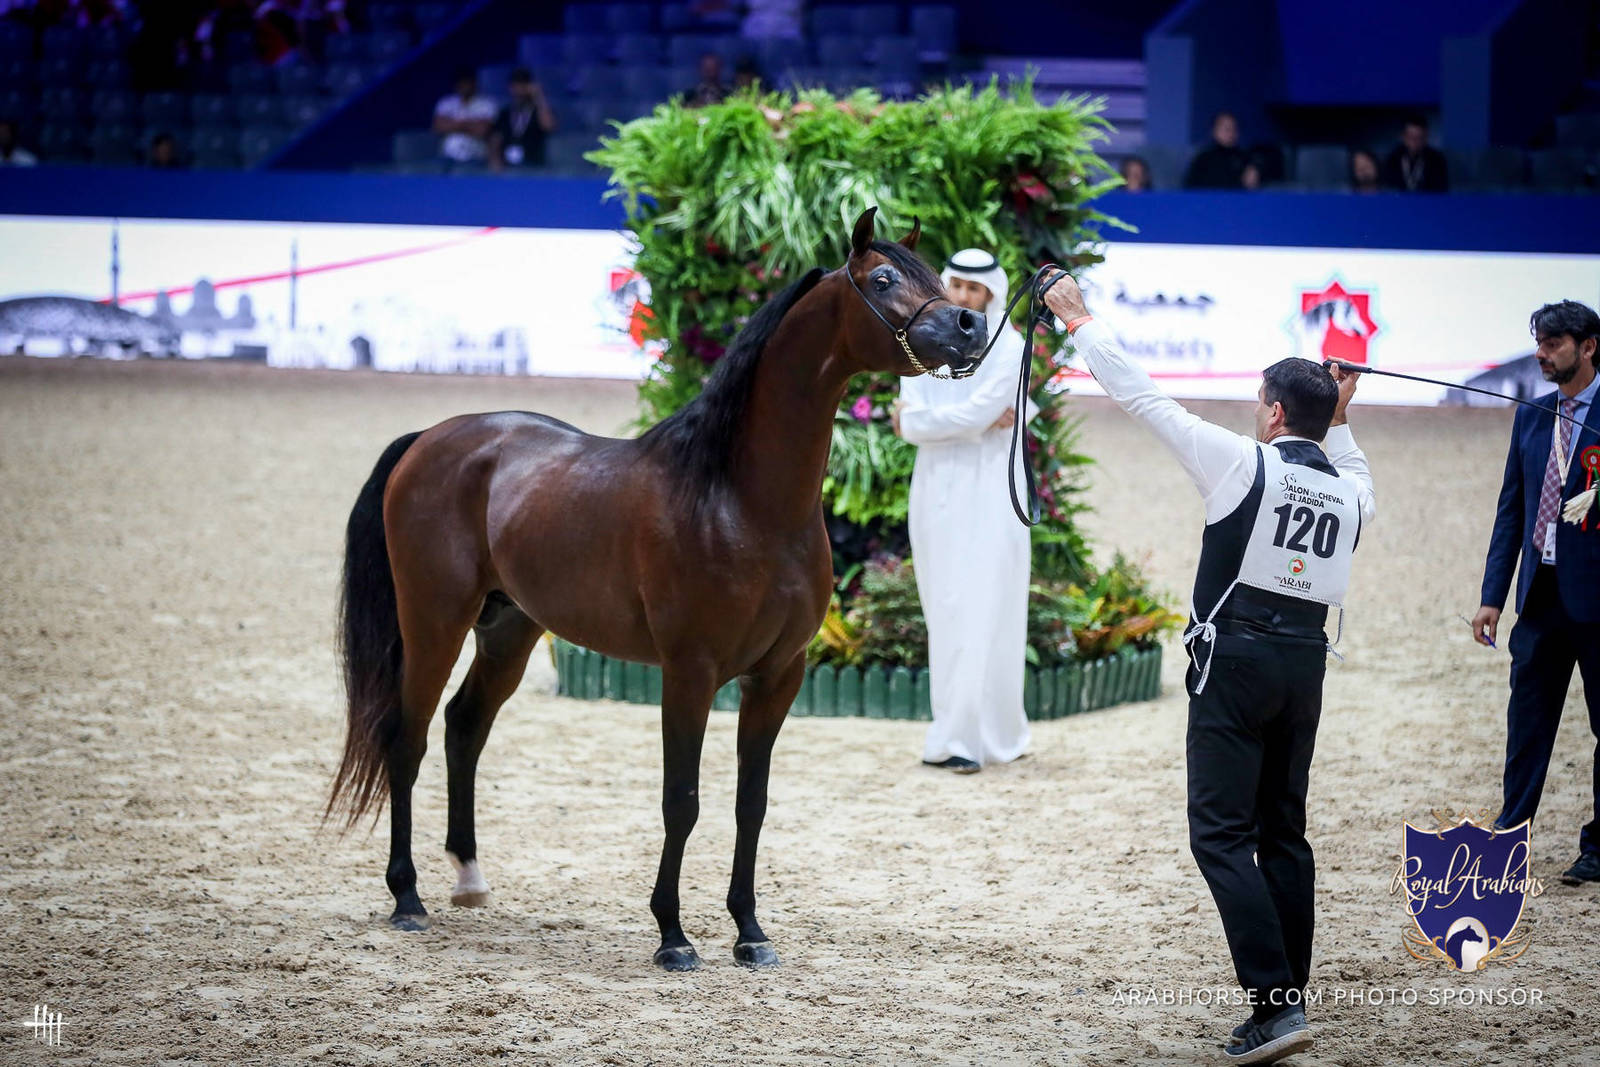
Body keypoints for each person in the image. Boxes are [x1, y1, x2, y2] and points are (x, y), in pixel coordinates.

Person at [1040, 273, 1375, 1063]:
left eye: (1263, 402)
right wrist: (1346, 419)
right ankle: (1288, 991)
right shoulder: (1353, 494)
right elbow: (1353, 467)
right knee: (1284, 831)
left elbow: (1145, 399)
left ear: (1275, 411)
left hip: (1235, 663)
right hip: (1306, 664)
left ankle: (1275, 1000)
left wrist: (1081, 320)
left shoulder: (1241, 463)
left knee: (1220, 835)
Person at [1470, 300, 1600, 886]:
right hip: (1539, 597)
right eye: (1539, 342)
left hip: (1597, 601)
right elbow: (1510, 509)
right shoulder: (1531, 415)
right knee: (1526, 722)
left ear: (1588, 345)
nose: (1541, 353)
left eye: (1552, 343)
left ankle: (1597, 848)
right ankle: (1511, 831)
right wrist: (1493, 594)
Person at [893, 248, 1034, 774]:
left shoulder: (1010, 347)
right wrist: (955, 421)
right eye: (957, 286)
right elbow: (926, 419)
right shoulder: (922, 340)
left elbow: (949, 417)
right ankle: (962, 731)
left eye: (975, 290)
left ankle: (969, 740)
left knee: (983, 607)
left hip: (992, 490)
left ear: (992, 293)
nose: (964, 297)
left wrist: (920, 422)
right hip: (933, 488)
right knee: (945, 609)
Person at [488, 67, 555, 171]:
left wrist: (539, 96)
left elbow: (549, 126)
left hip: (534, 168)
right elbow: (495, 139)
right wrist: (495, 160)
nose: (519, 90)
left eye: (523, 85)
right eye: (516, 85)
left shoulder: (539, 111)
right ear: (510, 87)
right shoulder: (504, 113)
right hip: (507, 168)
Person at [432, 67, 497, 167]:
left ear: (474, 84)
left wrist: (453, 123)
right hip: (448, 156)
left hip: (475, 156)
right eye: (461, 83)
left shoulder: (487, 104)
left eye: (467, 83)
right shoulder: (445, 103)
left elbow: (482, 130)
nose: (464, 86)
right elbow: (438, 127)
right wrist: (471, 124)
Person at [1183, 111, 1250, 190]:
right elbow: (1189, 187)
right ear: (1214, 131)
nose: (1230, 133)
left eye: (1234, 128)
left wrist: (1255, 169)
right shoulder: (1203, 159)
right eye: (1226, 128)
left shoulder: (1244, 157)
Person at [1380, 116, 1448, 193]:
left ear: (1426, 137)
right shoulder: (1392, 159)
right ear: (1403, 137)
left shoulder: (1436, 159)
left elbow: (1440, 189)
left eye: (1419, 137)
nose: (1414, 142)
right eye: (1411, 137)